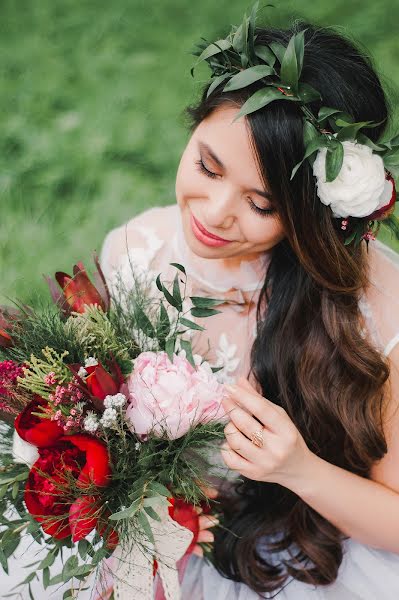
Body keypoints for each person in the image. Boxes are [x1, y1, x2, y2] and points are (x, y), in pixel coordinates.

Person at [98, 10, 399, 600]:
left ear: (314, 214)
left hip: (313, 553)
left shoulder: (375, 309)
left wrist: (299, 470)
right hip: (163, 539)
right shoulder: (136, 252)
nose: (212, 214)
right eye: (207, 166)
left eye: (261, 205)